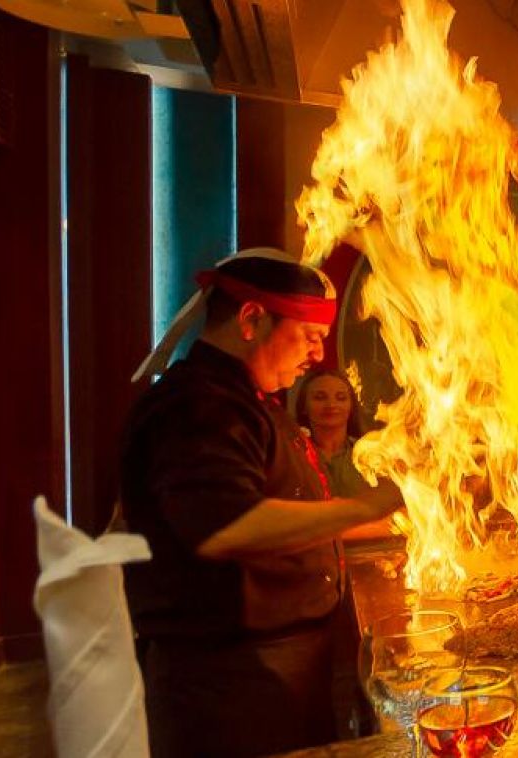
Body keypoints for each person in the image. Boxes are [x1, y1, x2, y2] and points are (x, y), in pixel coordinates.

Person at [121, 251, 402, 757]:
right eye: (309, 336)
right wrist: (372, 504)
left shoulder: (252, 401)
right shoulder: (199, 405)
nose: (318, 354)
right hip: (229, 684)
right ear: (252, 319)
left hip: (276, 670)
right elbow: (226, 528)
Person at [295, 368, 366, 497]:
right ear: (304, 406)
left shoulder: (368, 455)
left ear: (351, 406)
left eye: (341, 398)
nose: (331, 405)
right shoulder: (293, 455)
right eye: (320, 398)